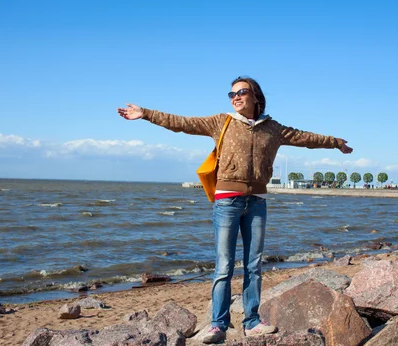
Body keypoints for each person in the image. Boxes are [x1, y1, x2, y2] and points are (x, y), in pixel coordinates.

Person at [117, 76, 353, 343]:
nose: (235, 97)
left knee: (254, 265)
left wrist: (335, 142)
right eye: (231, 94)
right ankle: (218, 324)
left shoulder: (272, 128)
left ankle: (252, 322)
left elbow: (305, 138)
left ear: (256, 97)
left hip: (257, 203)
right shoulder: (222, 122)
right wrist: (145, 114)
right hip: (227, 201)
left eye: (241, 92)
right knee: (224, 266)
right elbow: (182, 123)